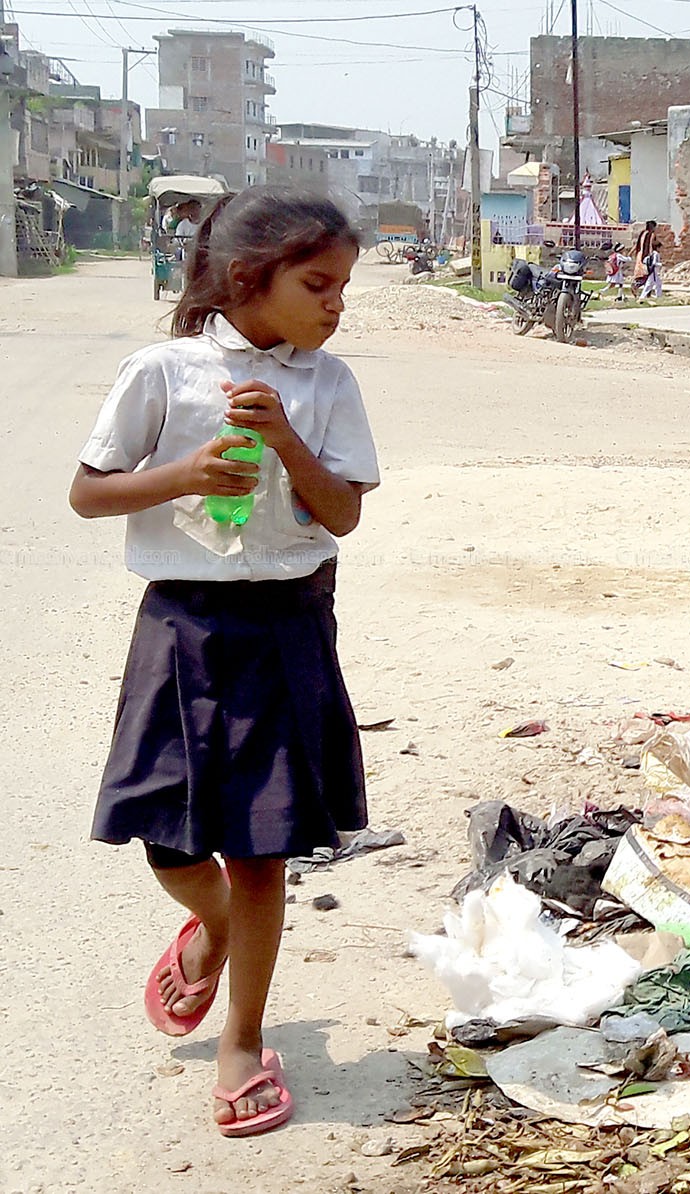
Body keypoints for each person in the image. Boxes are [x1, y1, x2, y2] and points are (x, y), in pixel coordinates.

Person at [69, 186, 380, 1138]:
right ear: (250, 278)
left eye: (342, 288)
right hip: (183, 625)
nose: (336, 304)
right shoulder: (163, 371)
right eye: (317, 283)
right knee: (169, 836)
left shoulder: (328, 386)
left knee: (260, 846)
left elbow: (344, 514)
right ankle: (209, 932)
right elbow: (89, 492)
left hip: (288, 626)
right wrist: (189, 474)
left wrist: (287, 435)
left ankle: (244, 1039)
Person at [635, 219, 663, 300]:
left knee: (654, 283)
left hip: (641, 256)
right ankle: (642, 293)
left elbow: (637, 245)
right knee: (649, 281)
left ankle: (655, 296)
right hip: (648, 259)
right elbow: (650, 246)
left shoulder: (643, 233)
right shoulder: (651, 235)